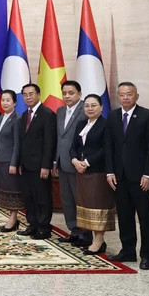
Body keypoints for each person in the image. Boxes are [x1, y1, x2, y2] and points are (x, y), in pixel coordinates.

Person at [104, 81, 149, 270]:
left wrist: (148, 174)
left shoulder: (147, 116)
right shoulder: (112, 116)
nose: (125, 97)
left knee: (145, 218)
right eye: (122, 94)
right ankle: (128, 251)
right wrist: (110, 171)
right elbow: (109, 146)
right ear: (118, 97)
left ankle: (147, 255)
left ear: (136, 96)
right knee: (125, 216)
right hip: (119, 177)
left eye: (129, 94)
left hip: (141, 177)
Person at [70, 94, 115, 255]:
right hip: (81, 172)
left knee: (98, 206)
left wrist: (87, 162)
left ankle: (99, 240)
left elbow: (106, 148)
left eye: (93, 105)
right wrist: (74, 160)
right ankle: (93, 240)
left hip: (97, 172)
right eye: (87, 105)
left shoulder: (105, 125)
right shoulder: (82, 123)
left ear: (101, 107)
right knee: (86, 206)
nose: (90, 108)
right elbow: (73, 146)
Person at [54, 80, 92, 247]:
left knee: (80, 200)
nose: (67, 96)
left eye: (71, 93)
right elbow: (59, 138)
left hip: (78, 164)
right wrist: (55, 160)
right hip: (62, 162)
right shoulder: (60, 110)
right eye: (65, 93)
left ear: (79, 94)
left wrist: (82, 160)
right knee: (67, 199)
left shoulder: (86, 110)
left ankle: (85, 234)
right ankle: (74, 231)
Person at [17, 83, 57, 240]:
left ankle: (44, 228)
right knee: (29, 197)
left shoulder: (47, 114)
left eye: (31, 94)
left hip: (40, 165)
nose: (28, 97)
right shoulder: (23, 115)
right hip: (26, 165)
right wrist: (20, 162)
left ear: (38, 95)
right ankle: (32, 225)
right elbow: (22, 142)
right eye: (25, 94)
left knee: (42, 197)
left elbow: (49, 142)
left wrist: (46, 165)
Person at [0, 90, 22, 232]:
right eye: (3, 100)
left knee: (13, 190)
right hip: (0, 160)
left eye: (8, 100)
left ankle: (13, 218)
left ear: (15, 102)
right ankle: (11, 218)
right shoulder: (2, 117)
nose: (4, 103)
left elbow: (18, 144)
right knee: (5, 190)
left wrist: (14, 163)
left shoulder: (17, 119)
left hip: (9, 161)